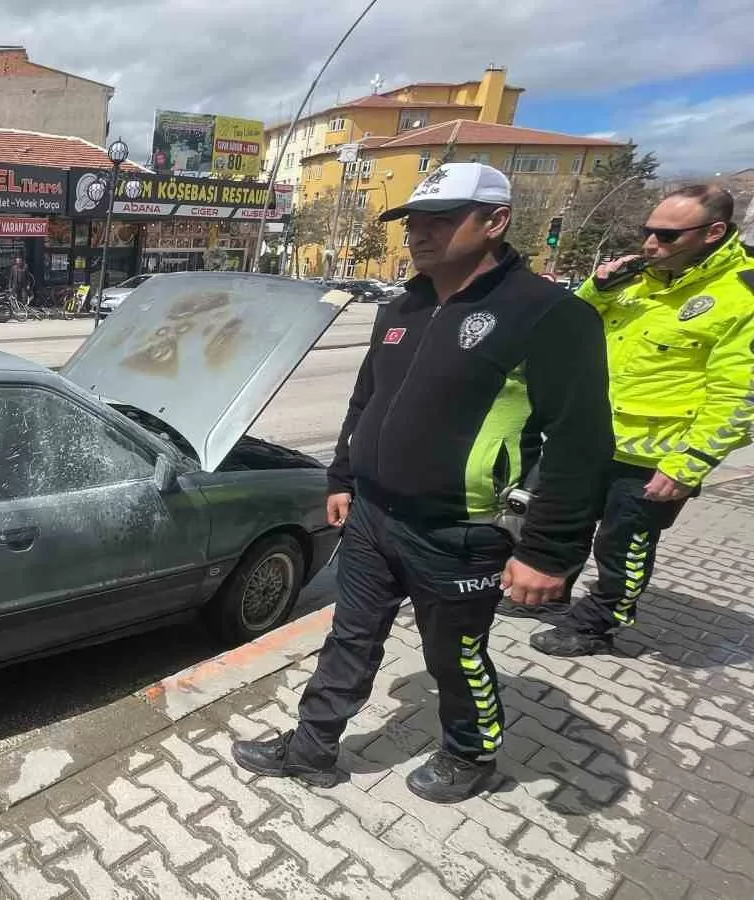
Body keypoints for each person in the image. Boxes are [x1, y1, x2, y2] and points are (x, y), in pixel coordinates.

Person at [231, 163, 613, 803]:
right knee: (349, 638)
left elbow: (583, 443)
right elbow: (366, 399)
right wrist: (342, 476)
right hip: (373, 519)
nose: (419, 234)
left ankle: (470, 752)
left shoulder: (548, 314)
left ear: (495, 222)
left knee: (454, 657)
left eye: (441, 220)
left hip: (459, 535)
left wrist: (550, 552)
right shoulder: (402, 305)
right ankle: (311, 748)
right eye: (412, 222)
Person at [510, 185, 754, 656]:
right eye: (648, 231)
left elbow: (739, 396)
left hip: (655, 456)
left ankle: (597, 624)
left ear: (713, 232)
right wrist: (597, 287)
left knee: (623, 546)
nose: (650, 243)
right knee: (563, 522)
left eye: (666, 235)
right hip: (590, 439)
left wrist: (690, 463)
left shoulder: (741, 296)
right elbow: (571, 322)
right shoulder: (637, 279)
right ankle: (548, 591)